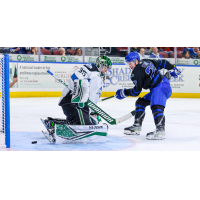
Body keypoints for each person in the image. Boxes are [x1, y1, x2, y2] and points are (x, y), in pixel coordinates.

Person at [115, 52, 181, 140]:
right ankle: (137, 126)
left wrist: (124, 92)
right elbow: (163, 63)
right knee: (140, 102)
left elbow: (136, 91)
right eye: (128, 64)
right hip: (162, 85)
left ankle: (160, 130)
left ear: (136, 61)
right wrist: (173, 68)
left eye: (131, 63)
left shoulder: (136, 73)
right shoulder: (147, 61)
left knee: (156, 106)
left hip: (160, 87)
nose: (129, 66)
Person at [42, 56, 112, 134]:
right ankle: (56, 127)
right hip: (76, 104)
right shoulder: (96, 77)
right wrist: (93, 112)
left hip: (68, 101)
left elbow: (75, 79)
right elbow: (92, 96)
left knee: (76, 122)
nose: (106, 71)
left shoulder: (89, 67)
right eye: (105, 68)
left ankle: (54, 124)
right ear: (100, 65)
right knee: (88, 129)